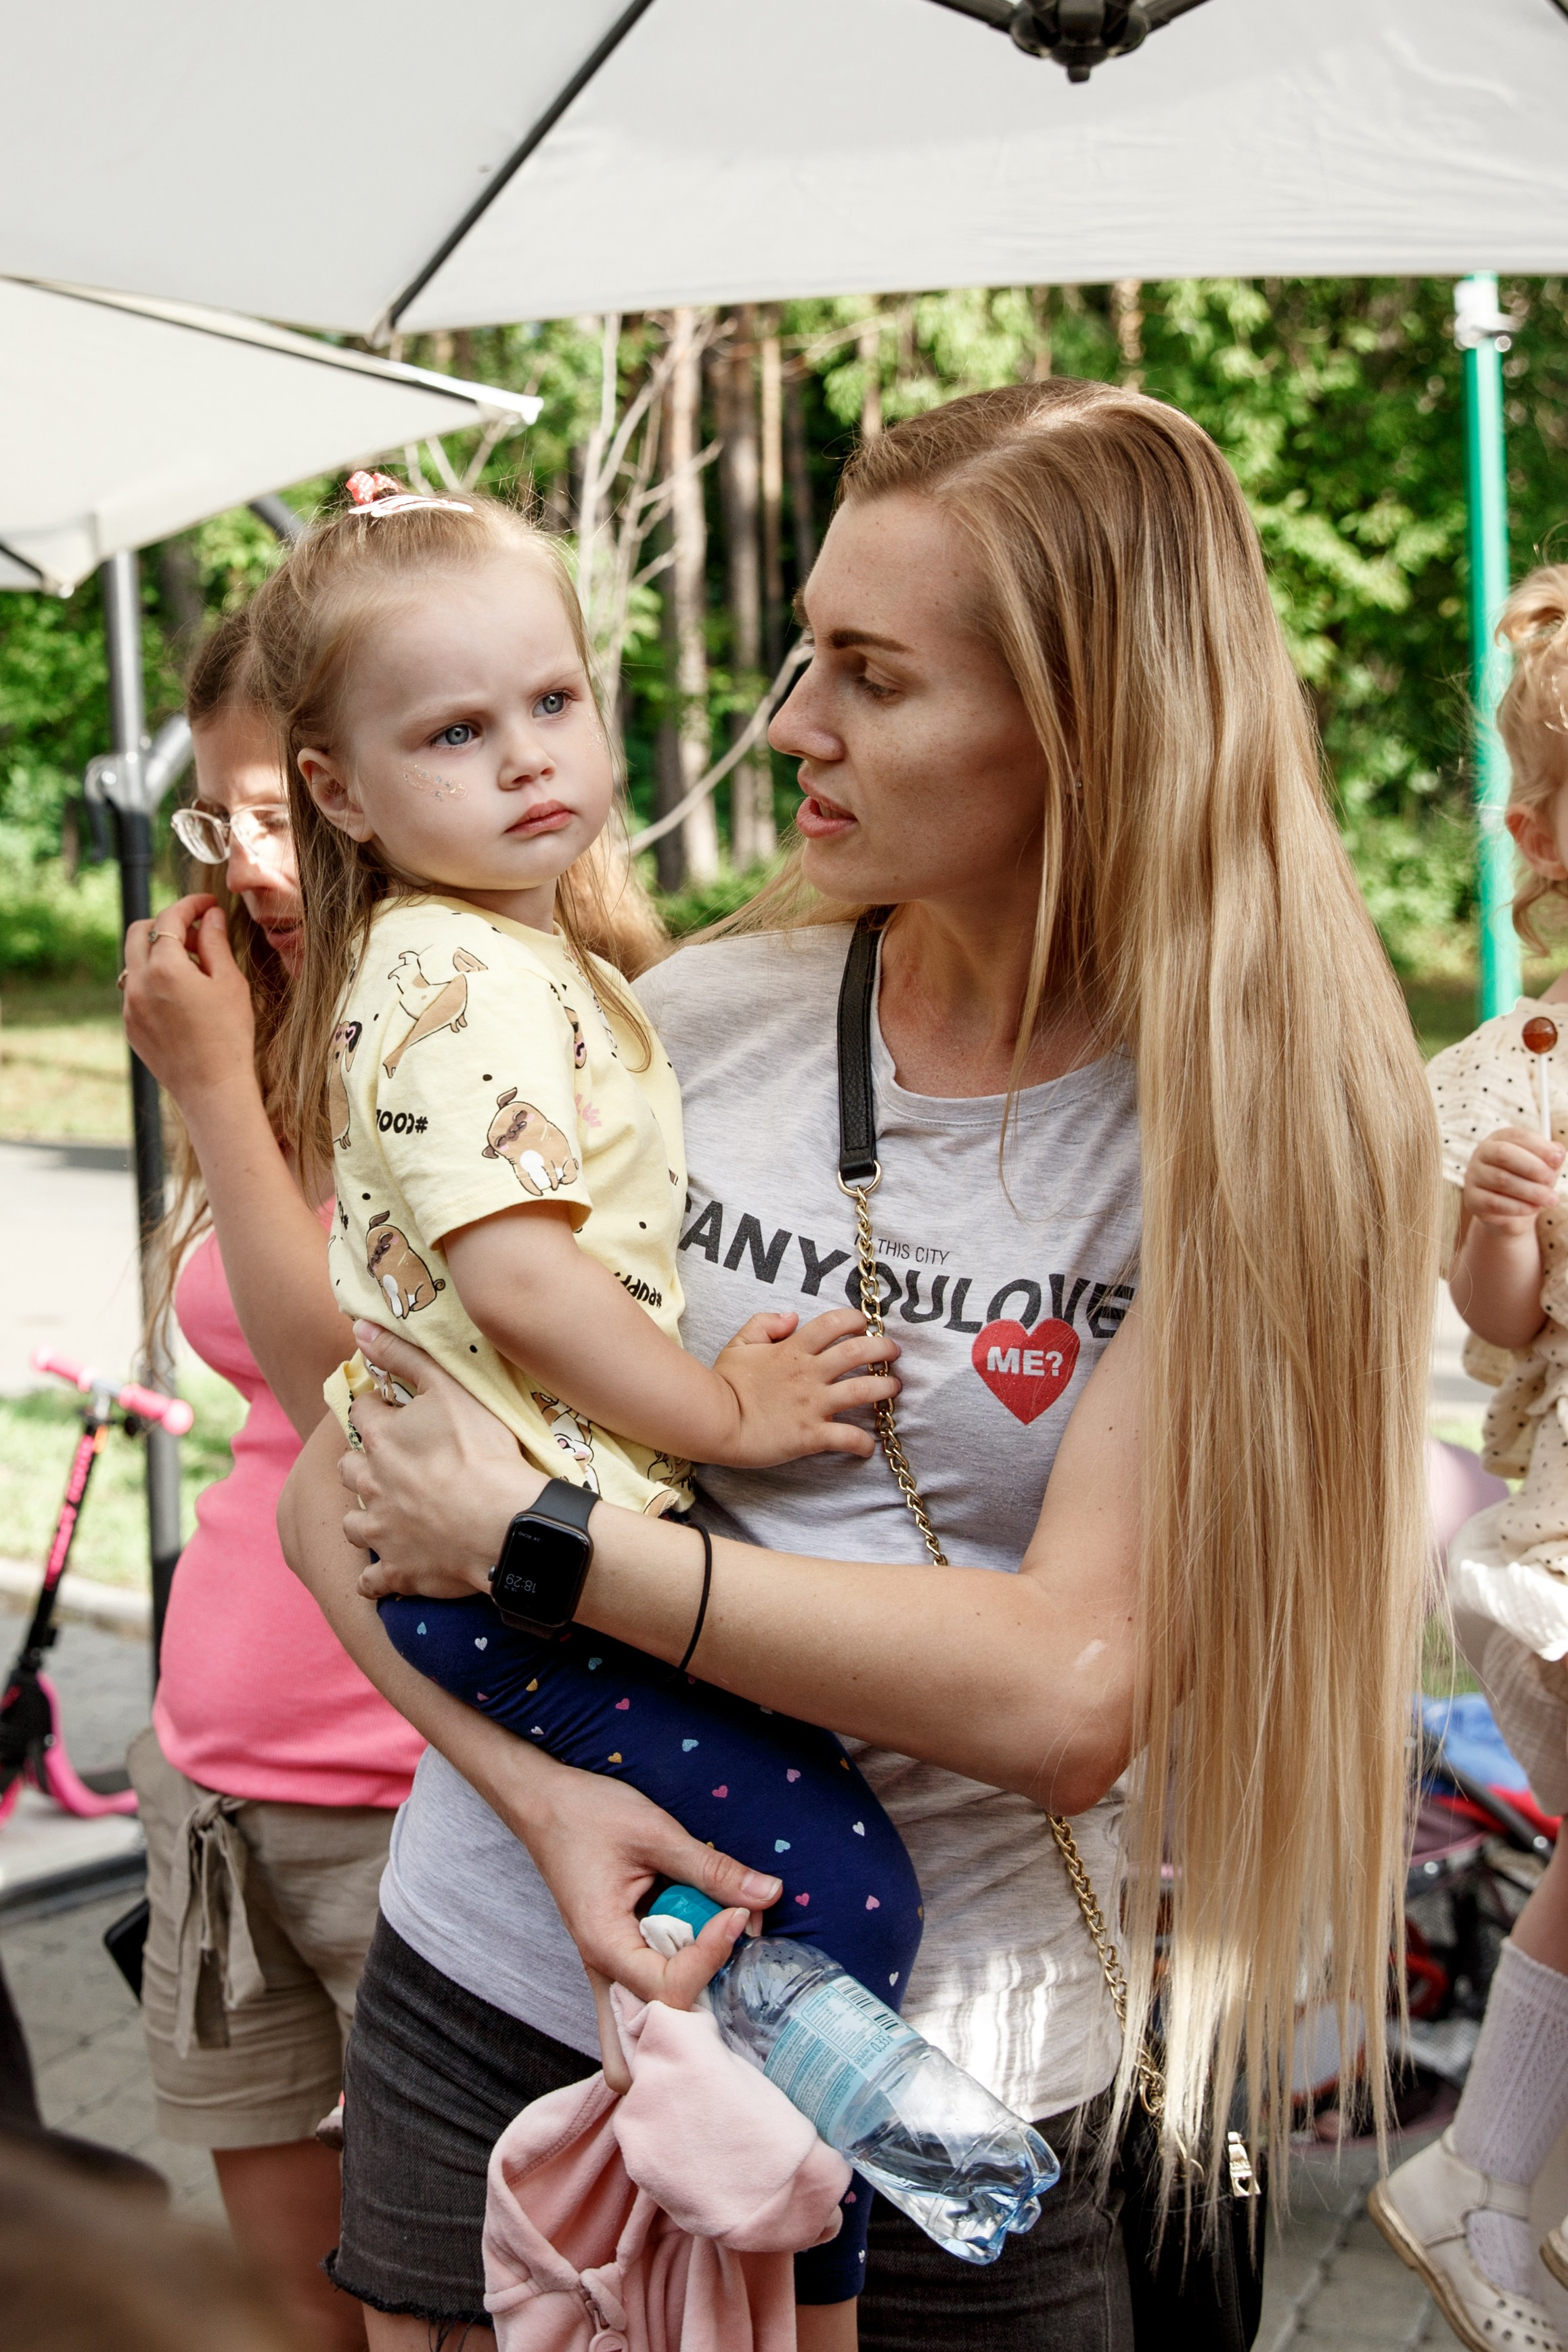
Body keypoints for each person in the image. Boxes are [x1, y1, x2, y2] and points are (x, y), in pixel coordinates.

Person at [279, 379, 1440, 2352]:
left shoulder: (1255, 1134)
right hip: (494, 1972)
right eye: (806, 654)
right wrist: (539, 1801)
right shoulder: (686, 1019)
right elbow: (348, 1491)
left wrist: (550, 1540)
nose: (786, 724)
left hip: (921, 2091)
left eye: (872, 678)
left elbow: (1065, 1695)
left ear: (1085, 727)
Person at [245, 466, 925, 2323]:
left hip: (526, 1559)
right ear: (338, 787)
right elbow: (520, 1277)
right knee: (844, 1898)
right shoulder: (451, 972)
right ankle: (784, 2272)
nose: (528, 756)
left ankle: (681, 2158)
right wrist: (725, 1416)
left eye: (552, 700)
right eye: (455, 730)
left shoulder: (512, 947)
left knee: (801, 1872)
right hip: (515, 1577)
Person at [118, 611, 425, 2351]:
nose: (249, 865)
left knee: (436, 2310)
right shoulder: (272, 1024)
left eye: (282, 816)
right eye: (216, 819)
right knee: (281, 2320)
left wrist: (214, 1090)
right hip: (217, 1791)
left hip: (414, 1806)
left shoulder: (469, 1045)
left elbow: (355, 1400)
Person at [1373, 564, 1568, 2352]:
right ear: (1543, 839)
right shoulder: (1524, 1067)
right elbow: (1494, 1328)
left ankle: (1503, 2184)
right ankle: (1481, 2176)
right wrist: (1507, 1226)